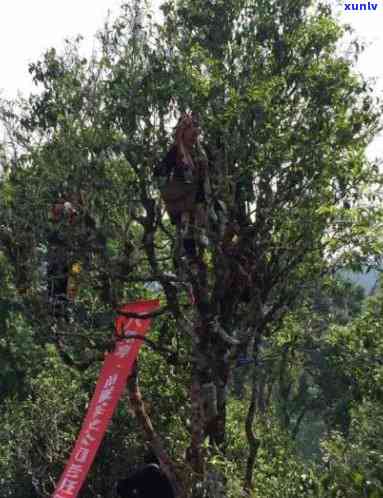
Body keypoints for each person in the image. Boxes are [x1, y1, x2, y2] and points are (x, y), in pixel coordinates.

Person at [154, 112, 210, 259]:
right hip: (182, 198)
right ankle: (189, 258)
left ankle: (195, 249)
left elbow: (205, 176)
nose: (194, 134)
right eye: (190, 130)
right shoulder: (176, 150)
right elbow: (161, 169)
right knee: (186, 228)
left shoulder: (200, 151)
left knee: (201, 221)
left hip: (199, 198)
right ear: (183, 132)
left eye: (195, 131)